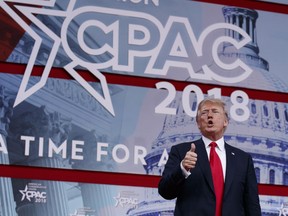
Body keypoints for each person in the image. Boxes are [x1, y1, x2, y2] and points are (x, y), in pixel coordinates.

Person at [158, 98, 261, 216]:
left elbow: (252, 205)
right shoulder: (181, 151)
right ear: (198, 123)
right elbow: (165, 192)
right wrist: (182, 169)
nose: (210, 115)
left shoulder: (243, 159)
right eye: (204, 112)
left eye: (215, 111)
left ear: (225, 121)